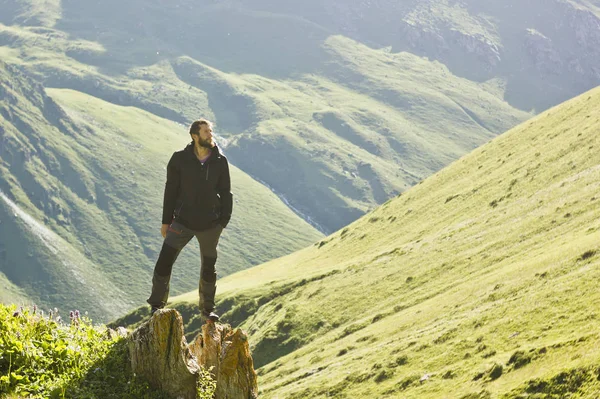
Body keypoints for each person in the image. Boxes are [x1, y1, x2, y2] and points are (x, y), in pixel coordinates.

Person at [147, 118, 233, 322]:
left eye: (211, 131)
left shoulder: (220, 160)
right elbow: (170, 191)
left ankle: (208, 311)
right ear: (195, 136)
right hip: (182, 222)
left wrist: (223, 222)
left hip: (211, 224)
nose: (210, 135)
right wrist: (166, 221)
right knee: (163, 263)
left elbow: (226, 192)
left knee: (208, 269)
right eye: (206, 132)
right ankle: (156, 307)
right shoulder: (179, 159)